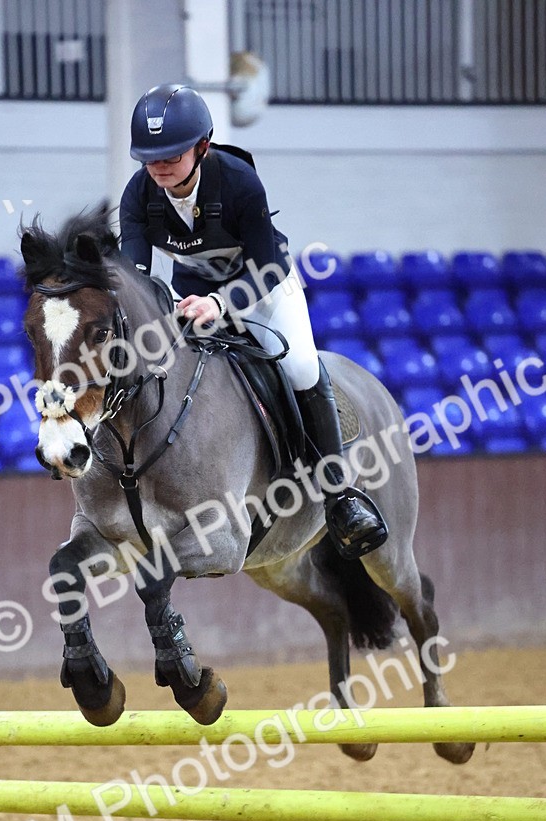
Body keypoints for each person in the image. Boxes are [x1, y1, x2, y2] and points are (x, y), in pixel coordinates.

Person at [119, 82, 388, 560]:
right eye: (150, 157)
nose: (159, 166)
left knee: (302, 366)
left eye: (172, 155)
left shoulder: (239, 181)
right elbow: (134, 274)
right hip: (192, 291)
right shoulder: (139, 195)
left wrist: (221, 306)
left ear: (201, 147)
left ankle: (339, 494)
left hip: (262, 288)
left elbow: (266, 266)